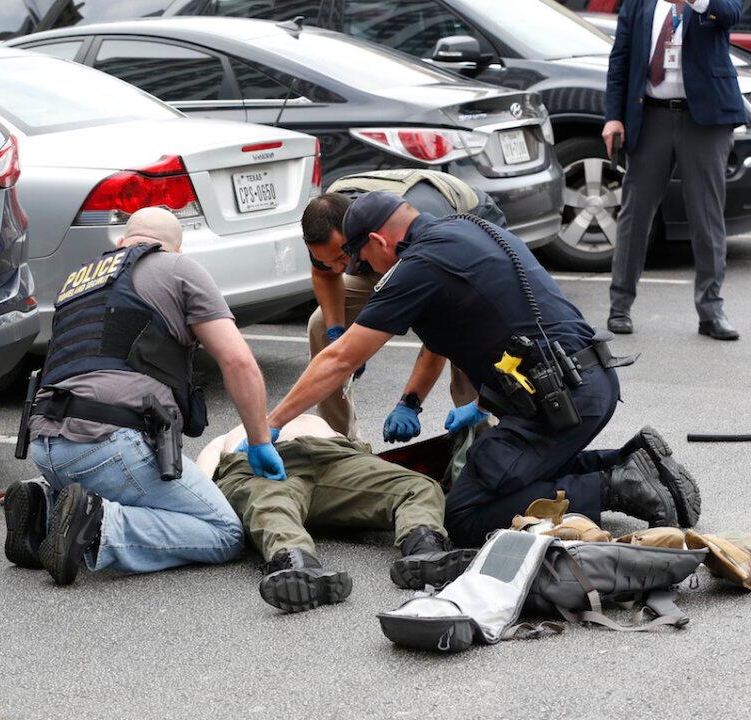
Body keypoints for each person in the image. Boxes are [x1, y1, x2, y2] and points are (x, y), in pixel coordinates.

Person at [256, 191, 702, 549]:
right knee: (508, 472)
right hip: (583, 383)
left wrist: (270, 426)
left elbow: (340, 359)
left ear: (377, 241)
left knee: (464, 515)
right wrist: (466, 402)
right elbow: (460, 328)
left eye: (362, 260)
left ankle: (614, 485)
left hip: (558, 402)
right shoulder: (469, 227)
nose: (364, 271)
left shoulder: (417, 266)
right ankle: (633, 461)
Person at [3, 207, 285, 586]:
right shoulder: (178, 268)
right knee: (224, 532)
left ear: (121, 243)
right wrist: (259, 439)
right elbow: (238, 361)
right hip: (109, 445)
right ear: (175, 250)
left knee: (124, 488)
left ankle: (45, 511)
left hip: (45, 445)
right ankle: (102, 526)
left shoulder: (78, 281)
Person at [303, 169, 506, 441]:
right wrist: (337, 334)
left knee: (465, 335)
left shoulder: (414, 234)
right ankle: (340, 441)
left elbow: (440, 334)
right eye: (329, 260)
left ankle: (482, 439)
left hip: (469, 224)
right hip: (379, 253)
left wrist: (409, 403)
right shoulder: (324, 226)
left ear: (361, 236)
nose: (339, 268)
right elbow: (324, 274)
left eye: (341, 257)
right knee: (319, 325)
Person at [196, 414, 473, 613]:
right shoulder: (226, 438)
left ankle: (425, 548)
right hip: (257, 465)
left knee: (416, 485)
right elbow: (203, 483)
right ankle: (296, 565)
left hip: (337, 458)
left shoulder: (321, 423)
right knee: (268, 505)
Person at [603, 0, 745, 339]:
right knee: (635, 213)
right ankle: (619, 306)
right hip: (650, 115)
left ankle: (711, 311)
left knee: (706, 216)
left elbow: (729, 14)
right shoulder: (639, 4)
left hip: (705, 120)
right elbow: (620, 57)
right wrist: (613, 116)